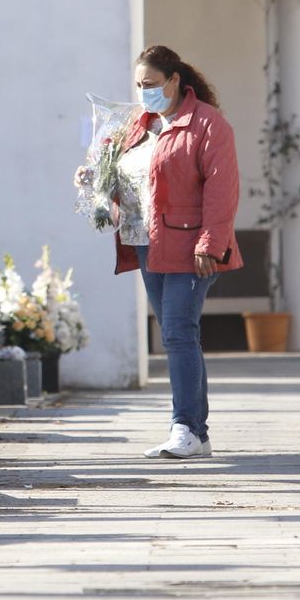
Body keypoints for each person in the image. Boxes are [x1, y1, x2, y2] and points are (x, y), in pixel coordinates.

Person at [108, 45, 241, 460]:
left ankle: (184, 428)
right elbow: (125, 178)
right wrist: (93, 179)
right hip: (145, 242)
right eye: (138, 85)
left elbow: (222, 190)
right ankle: (196, 434)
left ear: (174, 81)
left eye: (150, 84)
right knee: (179, 334)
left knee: (178, 332)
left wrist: (210, 244)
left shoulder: (207, 124)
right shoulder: (138, 125)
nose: (143, 92)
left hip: (191, 247)